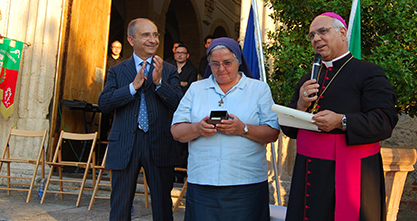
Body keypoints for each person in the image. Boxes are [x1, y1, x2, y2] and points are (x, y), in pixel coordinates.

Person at [281, 12, 398, 221]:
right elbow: (289, 130)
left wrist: (342, 121)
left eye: (322, 32)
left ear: (342, 32)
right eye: (312, 35)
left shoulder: (369, 73)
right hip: (308, 170)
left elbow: (385, 121)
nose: (316, 39)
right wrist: (300, 104)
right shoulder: (308, 78)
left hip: (351, 173)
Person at [171, 37, 280, 221]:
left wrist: (243, 129)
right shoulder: (196, 89)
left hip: (246, 183)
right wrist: (198, 128)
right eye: (215, 64)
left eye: (227, 63)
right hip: (203, 182)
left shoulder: (258, 89)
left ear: (238, 61)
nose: (221, 69)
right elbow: (176, 131)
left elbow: (272, 133)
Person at [98, 18, 183, 221]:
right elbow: (104, 103)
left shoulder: (169, 70)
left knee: (163, 206)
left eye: (155, 35)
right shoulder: (117, 70)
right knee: (120, 206)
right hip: (126, 143)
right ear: (130, 39)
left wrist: (159, 82)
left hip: (160, 144)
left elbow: (180, 103)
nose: (152, 40)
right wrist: (131, 88)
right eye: (146, 35)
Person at [172, 43, 198, 183]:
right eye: (177, 53)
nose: (180, 55)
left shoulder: (191, 70)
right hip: (170, 107)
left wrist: (180, 85)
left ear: (187, 55)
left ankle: (181, 174)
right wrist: (180, 84)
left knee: (183, 144)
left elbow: (190, 87)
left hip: (185, 109)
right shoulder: (169, 68)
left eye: (182, 53)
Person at [101, 40, 124, 141]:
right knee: (104, 114)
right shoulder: (105, 60)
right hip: (106, 89)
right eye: (114, 47)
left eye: (118, 47)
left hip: (118, 90)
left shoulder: (123, 63)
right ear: (111, 48)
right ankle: (102, 137)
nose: (116, 49)